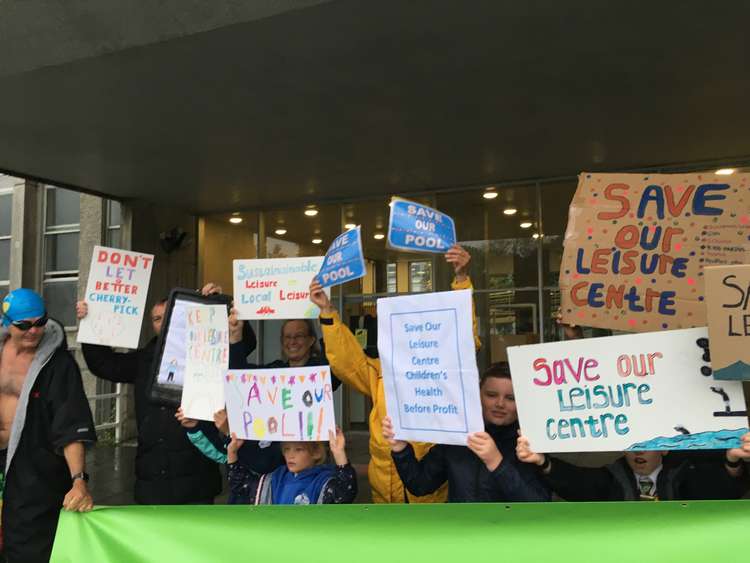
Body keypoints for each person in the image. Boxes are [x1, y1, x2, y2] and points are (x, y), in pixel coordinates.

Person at [309, 244, 480, 503]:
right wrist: (327, 312)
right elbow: (347, 363)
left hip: (428, 494)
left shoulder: (444, 365)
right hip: (384, 491)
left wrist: (461, 279)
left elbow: (463, 334)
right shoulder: (381, 370)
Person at [75, 283, 250, 504]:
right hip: (152, 479)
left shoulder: (210, 350)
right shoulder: (143, 360)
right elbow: (104, 365)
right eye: (157, 319)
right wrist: (90, 325)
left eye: (171, 315)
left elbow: (243, 344)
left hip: (197, 480)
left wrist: (218, 304)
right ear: (153, 326)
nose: (165, 322)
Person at [1, 289, 97, 562]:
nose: (34, 331)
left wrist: (79, 480)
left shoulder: (59, 365)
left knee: (29, 549)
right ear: (7, 323)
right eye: (24, 325)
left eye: (40, 322)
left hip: (34, 469)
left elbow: (70, 423)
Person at [383, 362, 550, 502]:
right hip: (460, 534)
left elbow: (539, 504)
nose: (500, 404)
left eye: (510, 398)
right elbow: (420, 485)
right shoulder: (458, 436)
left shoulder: (530, 442)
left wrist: (497, 463)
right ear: (478, 395)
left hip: (510, 536)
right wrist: (401, 449)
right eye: (491, 395)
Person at [516, 433, 750, 501]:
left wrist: (732, 460)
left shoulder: (684, 476)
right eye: (632, 446)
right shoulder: (612, 476)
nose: (639, 452)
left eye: (647, 446)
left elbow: (720, 491)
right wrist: (543, 462)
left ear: (664, 450)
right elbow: (578, 483)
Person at [227, 428, 357, 505]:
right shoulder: (276, 479)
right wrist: (232, 452)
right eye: (287, 449)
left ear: (316, 452)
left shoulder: (323, 481)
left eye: (298, 449)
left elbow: (345, 493)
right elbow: (242, 485)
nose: (290, 455)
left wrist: (339, 453)